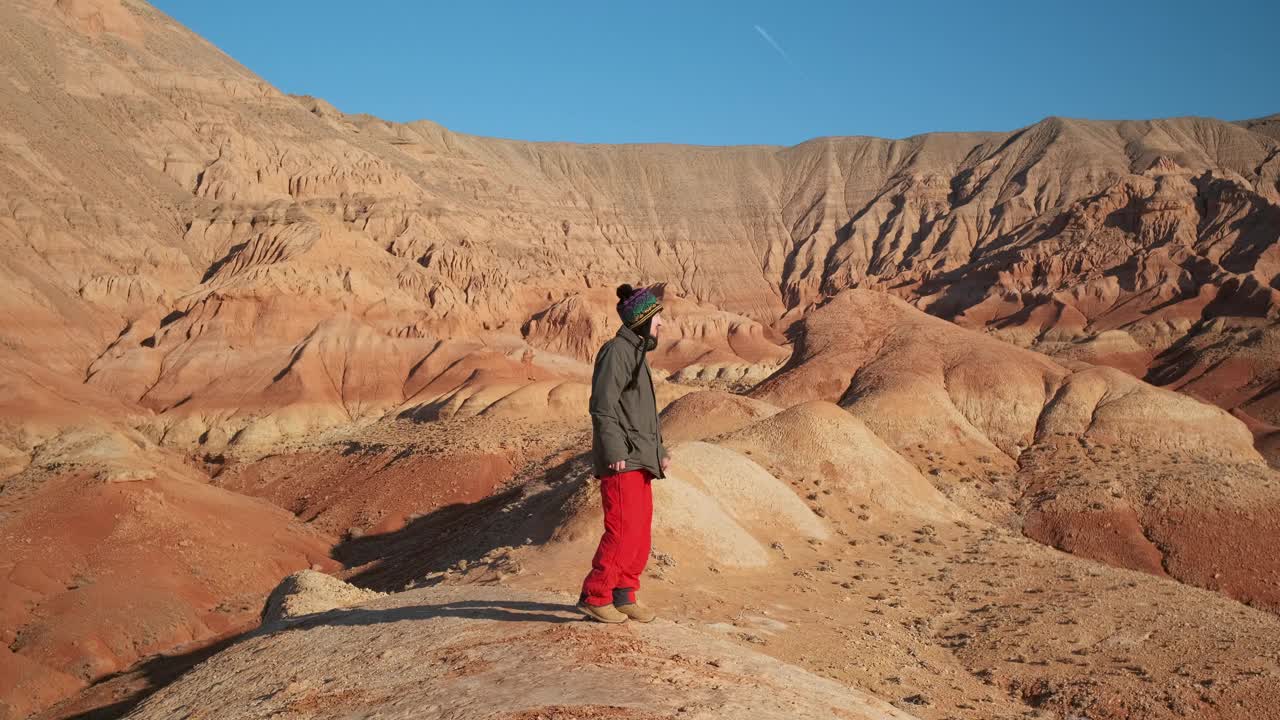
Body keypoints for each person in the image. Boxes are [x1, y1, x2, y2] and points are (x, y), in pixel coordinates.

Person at [577, 283, 671, 623]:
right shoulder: (617, 352)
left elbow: (644, 414)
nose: (662, 325)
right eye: (658, 319)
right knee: (621, 530)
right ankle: (595, 594)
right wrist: (614, 447)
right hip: (623, 458)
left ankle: (624, 594)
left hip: (641, 455)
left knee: (640, 531)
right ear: (643, 320)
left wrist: (659, 450)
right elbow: (602, 406)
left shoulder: (637, 355)